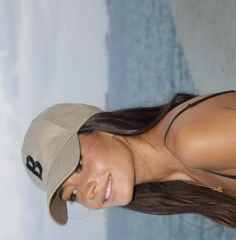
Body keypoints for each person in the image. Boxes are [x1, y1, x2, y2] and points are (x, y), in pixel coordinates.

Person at [21, 90, 236, 228]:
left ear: (101, 128)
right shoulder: (178, 176)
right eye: (74, 195)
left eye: (78, 165)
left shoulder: (190, 142)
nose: (88, 191)